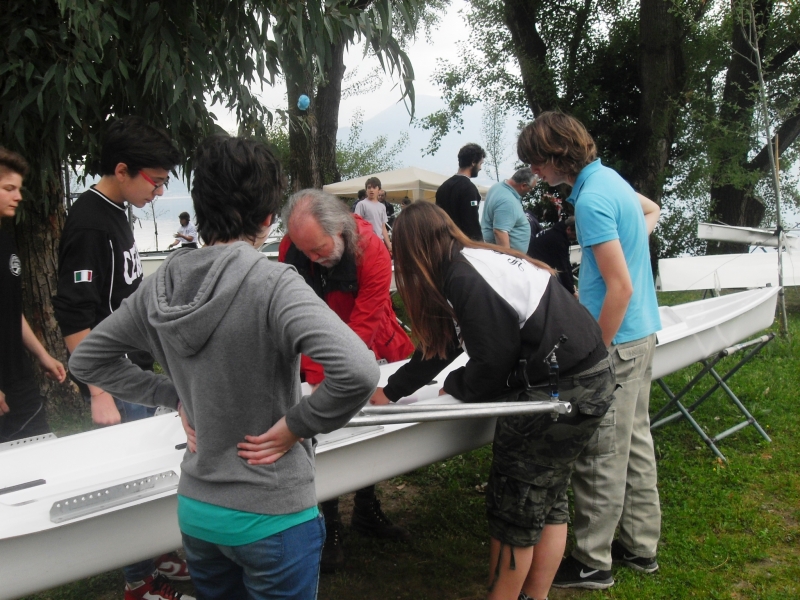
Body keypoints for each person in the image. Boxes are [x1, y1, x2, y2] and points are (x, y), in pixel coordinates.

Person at [69, 135, 380, 600]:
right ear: (268, 218)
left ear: (200, 206)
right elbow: (358, 370)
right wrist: (297, 425)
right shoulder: (272, 283)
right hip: (272, 514)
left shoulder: (159, 286)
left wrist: (173, 395)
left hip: (199, 514)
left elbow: (86, 359)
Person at [369, 201, 615, 600]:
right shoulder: (473, 258)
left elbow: (493, 360)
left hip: (558, 390)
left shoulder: (463, 276)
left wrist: (459, 385)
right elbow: (444, 344)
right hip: (590, 376)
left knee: (514, 509)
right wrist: (391, 391)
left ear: (414, 250)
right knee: (547, 498)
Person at [517, 111, 662, 590]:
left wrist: (597, 351)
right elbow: (650, 211)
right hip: (642, 333)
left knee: (601, 452)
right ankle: (641, 546)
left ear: (558, 154)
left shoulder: (594, 199)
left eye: (537, 161)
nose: (534, 171)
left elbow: (620, 286)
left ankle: (593, 561)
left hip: (619, 341)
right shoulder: (610, 181)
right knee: (634, 441)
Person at [52, 116, 192, 600]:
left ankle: (155, 555)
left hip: (132, 368)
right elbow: (74, 313)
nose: (159, 191)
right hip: (114, 377)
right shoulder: (90, 222)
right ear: (121, 169)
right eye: (155, 181)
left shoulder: (116, 210)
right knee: (134, 481)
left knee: (152, 470)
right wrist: (99, 391)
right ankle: (139, 582)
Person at [279, 189, 415, 573]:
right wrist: (316, 377)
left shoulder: (373, 251)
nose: (312, 259)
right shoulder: (293, 246)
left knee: (367, 427)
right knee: (321, 431)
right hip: (313, 342)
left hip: (365, 340)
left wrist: (332, 377)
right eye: (305, 251)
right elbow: (297, 313)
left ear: (339, 229)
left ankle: (367, 508)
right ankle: (330, 520)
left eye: (319, 250)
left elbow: (364, 325)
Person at [0, 148, 67, 443]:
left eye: (19, 189)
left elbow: (9, 310)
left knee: (38, 450)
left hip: (18, 378)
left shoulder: (5, 239)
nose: (18, 197)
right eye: (9, 189)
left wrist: (42, 355)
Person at [435, 143, 485, 241]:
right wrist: (479, 243)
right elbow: (471, 221)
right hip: (463, 243)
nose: (480, 168)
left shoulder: (443, 187)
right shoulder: (469, 189)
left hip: (444, 241)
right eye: (480, 163)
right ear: (473, 162)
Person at [481, 168, 535, 252]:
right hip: (505, 255)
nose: (531, 191)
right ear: (523, 185)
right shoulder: (508, 201)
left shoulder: (498, 186)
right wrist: (507, 257)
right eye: (531, 188)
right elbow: (500, 232)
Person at [527, 217, 578, 296]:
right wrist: (571, 291)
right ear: (568, 229)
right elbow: (562, 267)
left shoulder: (555, 231)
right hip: (536, 267)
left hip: (535, 261)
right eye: (575, 235)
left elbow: (566, 262)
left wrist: (571, 285)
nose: (576, 238)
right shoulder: (558, 240)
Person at [354, 177, 392, 252]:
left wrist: (389, 246)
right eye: (369, 187)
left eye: (374, 187)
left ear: (379, 190)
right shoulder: (361, 204)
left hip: (380, 242)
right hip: (367, 243)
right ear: (366, 190)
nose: (371, 190)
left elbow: (383, 228)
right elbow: (357, 225)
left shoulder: (382, 207)